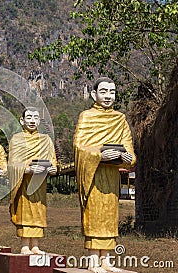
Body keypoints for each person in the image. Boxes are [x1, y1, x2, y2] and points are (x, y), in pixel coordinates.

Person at [74, 77, 136, 273]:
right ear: (94, 94)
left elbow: (131, 154)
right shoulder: (86, 117)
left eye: (112, 92)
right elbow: (78, 147)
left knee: (110, 216)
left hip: (112, 177)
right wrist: (98, 154)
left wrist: (126, 156)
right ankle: (93, 261)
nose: (108, 96)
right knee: (94, 215)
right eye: (104, 91)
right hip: (93, 176)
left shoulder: (120, 119)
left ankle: (107, 261)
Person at [8, 107, 57, 254]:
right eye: (29, 117)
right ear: (22, 120)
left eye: (35, 118)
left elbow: (52, 160)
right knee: (25, 212)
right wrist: (27, 169)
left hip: (39, 184)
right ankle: (24, 246)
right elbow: (12, 164)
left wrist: (53, 169)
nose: (32, 121)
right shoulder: (16, 139)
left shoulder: (46, 140)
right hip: (24, 183)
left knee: (38, 212)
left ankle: (35, 245)